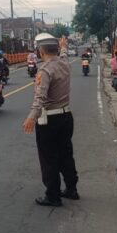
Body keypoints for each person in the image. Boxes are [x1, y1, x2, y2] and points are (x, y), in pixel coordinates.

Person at [23, 33, 78, 207]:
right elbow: (64, 53)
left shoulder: (45, 70)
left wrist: (32, 117)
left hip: (49, 121)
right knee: (66, 155)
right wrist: (63, 46)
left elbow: (40, 98)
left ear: (41, 51)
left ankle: (53, 195)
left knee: (49, 158)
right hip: (66, 117)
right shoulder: (64, 63)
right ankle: (71, 189)